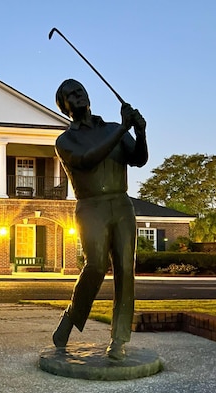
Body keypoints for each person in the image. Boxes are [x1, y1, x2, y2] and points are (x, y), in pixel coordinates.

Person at [52, 79, 148, 360]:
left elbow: (139, 159)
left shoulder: (109, 129)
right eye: (70, 94)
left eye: (80, 90)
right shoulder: (66, 140)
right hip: (91, 206)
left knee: (125, 271)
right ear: (64, 105)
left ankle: (119, 339)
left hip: (121, 204)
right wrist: (123, 128)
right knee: (95, 267)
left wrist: (141, 133)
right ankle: (71, 317)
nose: (78, 95)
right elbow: (88, 159)